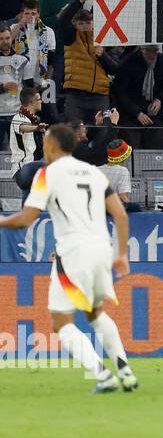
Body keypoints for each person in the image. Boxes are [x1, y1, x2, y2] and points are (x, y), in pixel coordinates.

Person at [0, 123, 135, 394]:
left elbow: (27, 218)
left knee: (62, 323)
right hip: (101, 249)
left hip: (73, 253)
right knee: (95, 313)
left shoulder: (47, 175)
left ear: (51, 146)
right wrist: (121, 254)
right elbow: (120, 215)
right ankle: (126, 371)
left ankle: (103, 375)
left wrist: (1, 221)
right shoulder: (93, 173)